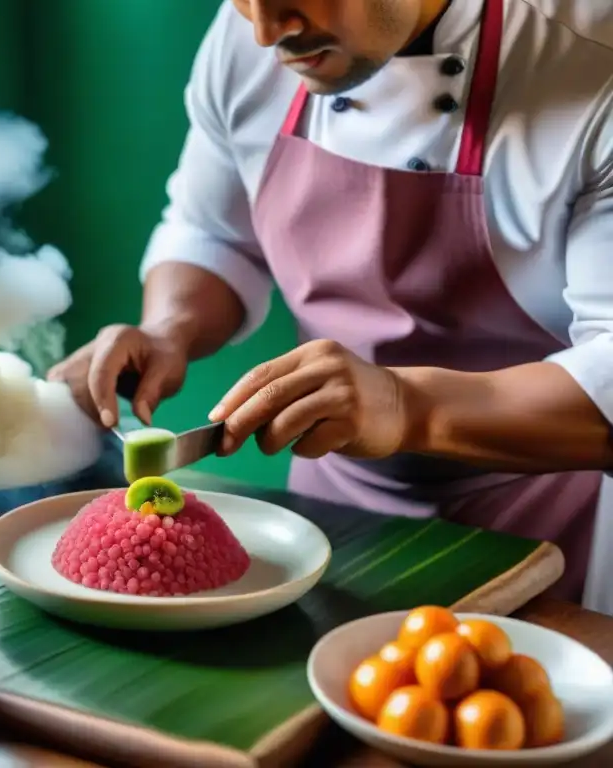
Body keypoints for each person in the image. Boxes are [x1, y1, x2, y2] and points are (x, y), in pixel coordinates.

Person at [47, 0, 613, 611]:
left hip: (538, 537)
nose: (266, 33)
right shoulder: (253, 33)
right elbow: (213, 231)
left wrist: (404, 405)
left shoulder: (592, 59)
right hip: (325, 521)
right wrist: (169, 328)